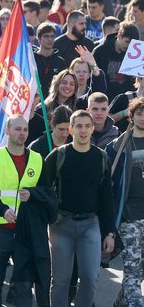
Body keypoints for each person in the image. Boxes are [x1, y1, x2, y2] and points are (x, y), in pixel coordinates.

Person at [45, 109, 115, 307]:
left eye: (87, 126)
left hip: (90, 224)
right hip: (61, 224)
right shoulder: (58, 156)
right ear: (70, 129)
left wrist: (109, 232)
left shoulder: (101, 158)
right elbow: (43, 190)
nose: (83, 130)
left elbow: (106, 198)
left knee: (90, 278)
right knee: (60, 281)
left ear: (93, 129)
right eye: (78, 126)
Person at [0, 114, 49, 307]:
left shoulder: (37, 159)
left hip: (26, 229)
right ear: (7, 131)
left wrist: (34, 194)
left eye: (25, 129)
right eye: (17, 129)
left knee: (24, 284)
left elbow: (46, 191)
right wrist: (3, 211)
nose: (22, 133)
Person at [109, 97, 144, 307]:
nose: (143, 118)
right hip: (129, 218)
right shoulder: (118, 146)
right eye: (139, 113)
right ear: (131, 116)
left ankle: (121, 302)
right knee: (132, 267)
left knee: (139, 271)